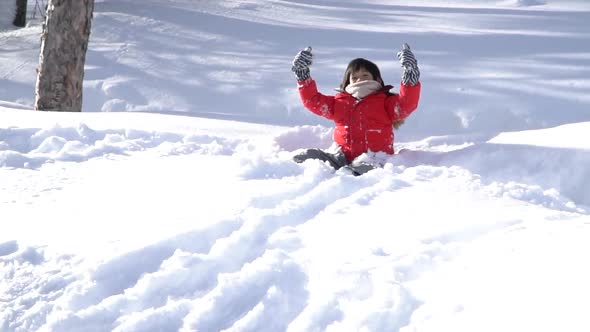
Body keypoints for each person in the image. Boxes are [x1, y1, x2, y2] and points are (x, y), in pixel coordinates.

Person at [291, 44, 421, 175]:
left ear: (376, 79)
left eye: (365, 75)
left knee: (361, 169)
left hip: (374, 159)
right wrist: (303, 76)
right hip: (341, 158)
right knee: (307, 156)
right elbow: (312, 100)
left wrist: (410, 74)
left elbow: (406, 104)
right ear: (348, 82)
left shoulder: (385, 102)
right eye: (355, 77)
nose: (360, 80)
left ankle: (349, 174)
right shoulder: (338, 102)